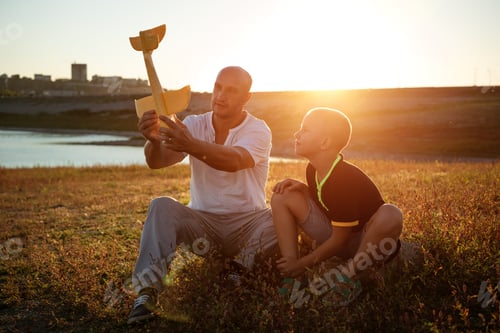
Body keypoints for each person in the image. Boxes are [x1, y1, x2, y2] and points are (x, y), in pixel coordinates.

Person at [127, 66, 277, 324]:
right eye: (218, 87)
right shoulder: (194, 124)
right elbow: (158, 162)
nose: (221, 95)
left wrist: (191, 145)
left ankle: (239, 270)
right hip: (203, 227)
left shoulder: (258, 130)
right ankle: (147, 293)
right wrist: (152, 141)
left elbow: (235, 160)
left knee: (280, 214)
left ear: (246, 98)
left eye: (231, 91)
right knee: (161, 205)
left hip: (249, 226)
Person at [270, 107, 403, 307]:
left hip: (364, 243)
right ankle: (291, 272)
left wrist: (305, 263)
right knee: (282, 195)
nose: (297, 134)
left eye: (305, 130)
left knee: (391, 213)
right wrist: (304, 190)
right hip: (338, 234)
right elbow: (327, 201)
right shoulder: (313, 169)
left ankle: (351, 276)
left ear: (324, 142)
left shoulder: (344, 178)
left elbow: (340, 240)